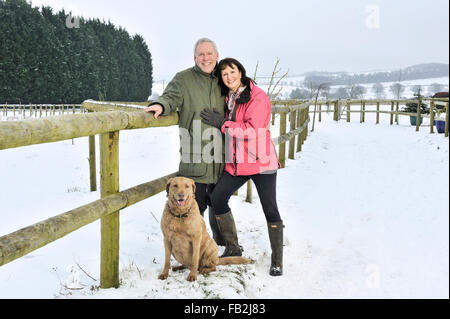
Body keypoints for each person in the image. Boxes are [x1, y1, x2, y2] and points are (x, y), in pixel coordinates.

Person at [200, 57, 284, 276]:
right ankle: (231, 246)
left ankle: (277, 260)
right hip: (238, 162)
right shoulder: (228, 97)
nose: (229, 77)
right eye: (224, 74)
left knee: (270, 207)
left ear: (241, 72)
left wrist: (222, 123)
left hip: (261, 161)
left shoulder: (257, 97)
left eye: (232, 72)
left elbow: (252, 130)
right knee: (217, 197)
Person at [144, 38, 232, 246]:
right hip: (195, 157)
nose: (206, 58)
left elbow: (240, 95)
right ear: (195, 58)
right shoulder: (183, 79)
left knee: (219, 202)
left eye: (209, 54)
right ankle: (190, 250)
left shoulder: (224, 78)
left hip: (220, 155)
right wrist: (160, 105)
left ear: (217, 56)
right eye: (201, 54)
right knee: (195, 207)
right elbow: (171, 97)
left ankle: (222, 243)